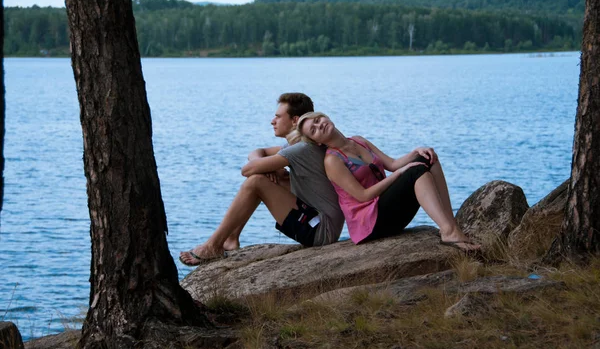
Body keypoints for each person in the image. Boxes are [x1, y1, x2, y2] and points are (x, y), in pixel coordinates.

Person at [179, 94, 345, 266]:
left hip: (320, 230)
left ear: (295, 120)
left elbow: (247, 170)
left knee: (256, 181)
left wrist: (266, 168)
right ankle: (231, 239)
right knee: (264, 177)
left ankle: (212, 246)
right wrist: (270, 168)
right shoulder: (298, 145)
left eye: (278, 117)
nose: (272, 121)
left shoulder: (301, 149)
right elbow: (258, 151)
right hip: (320, 220)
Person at [294, 111, 480, 252]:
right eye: (314, 130)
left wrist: (417, 151)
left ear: (324, 116)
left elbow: (391, 163)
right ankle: (449, 233)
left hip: (387, 208)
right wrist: (399, 174)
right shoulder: (332, 161)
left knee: (428, 158)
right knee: (414, 171)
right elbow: (363, 195)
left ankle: (451, 227)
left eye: (318, 120)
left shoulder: (358, 141)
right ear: (317, 141)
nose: (320, 126)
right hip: (371, 223)